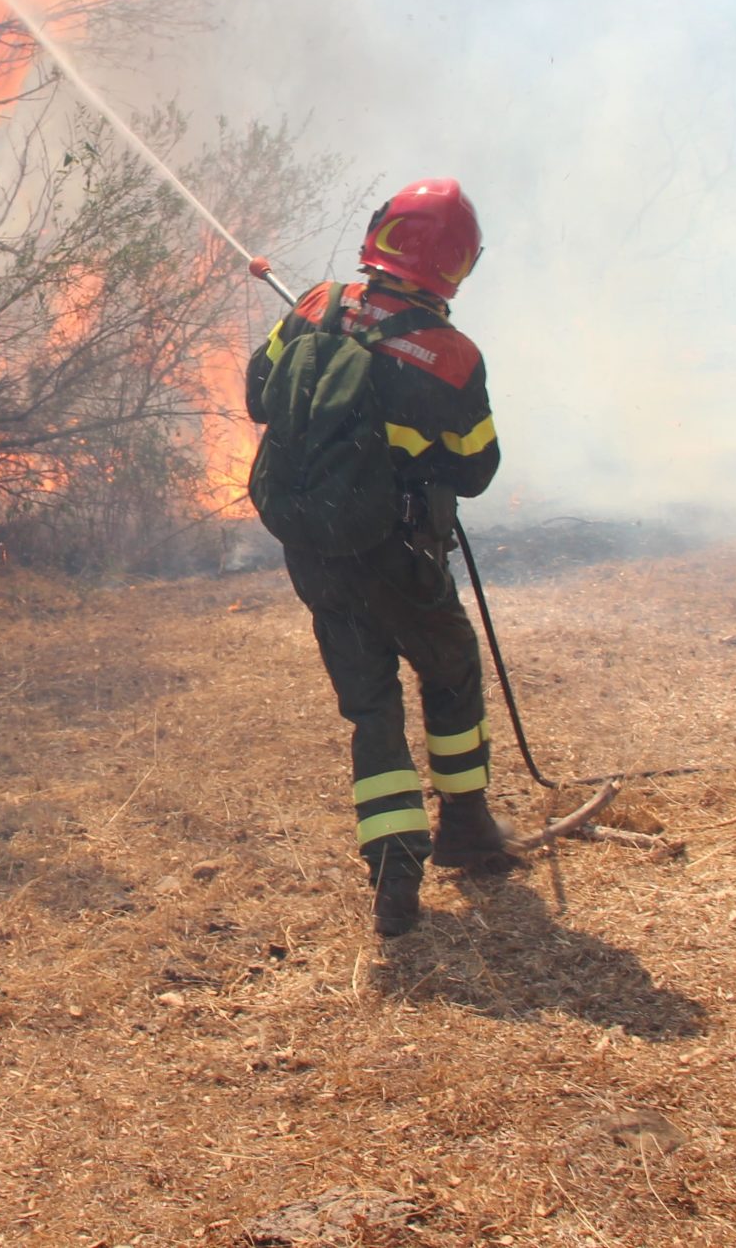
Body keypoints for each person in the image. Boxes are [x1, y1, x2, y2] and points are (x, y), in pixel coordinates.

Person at [245, 178, 507, 938]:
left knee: (371, 708)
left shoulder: (315, 305)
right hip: (401, 555)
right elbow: (477, 469)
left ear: (381, 235)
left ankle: (395, 878)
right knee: (449, 668)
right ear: (458, 264)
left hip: (318, 551)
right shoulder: (452, 358)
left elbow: (260, 393)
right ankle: (465, 826)